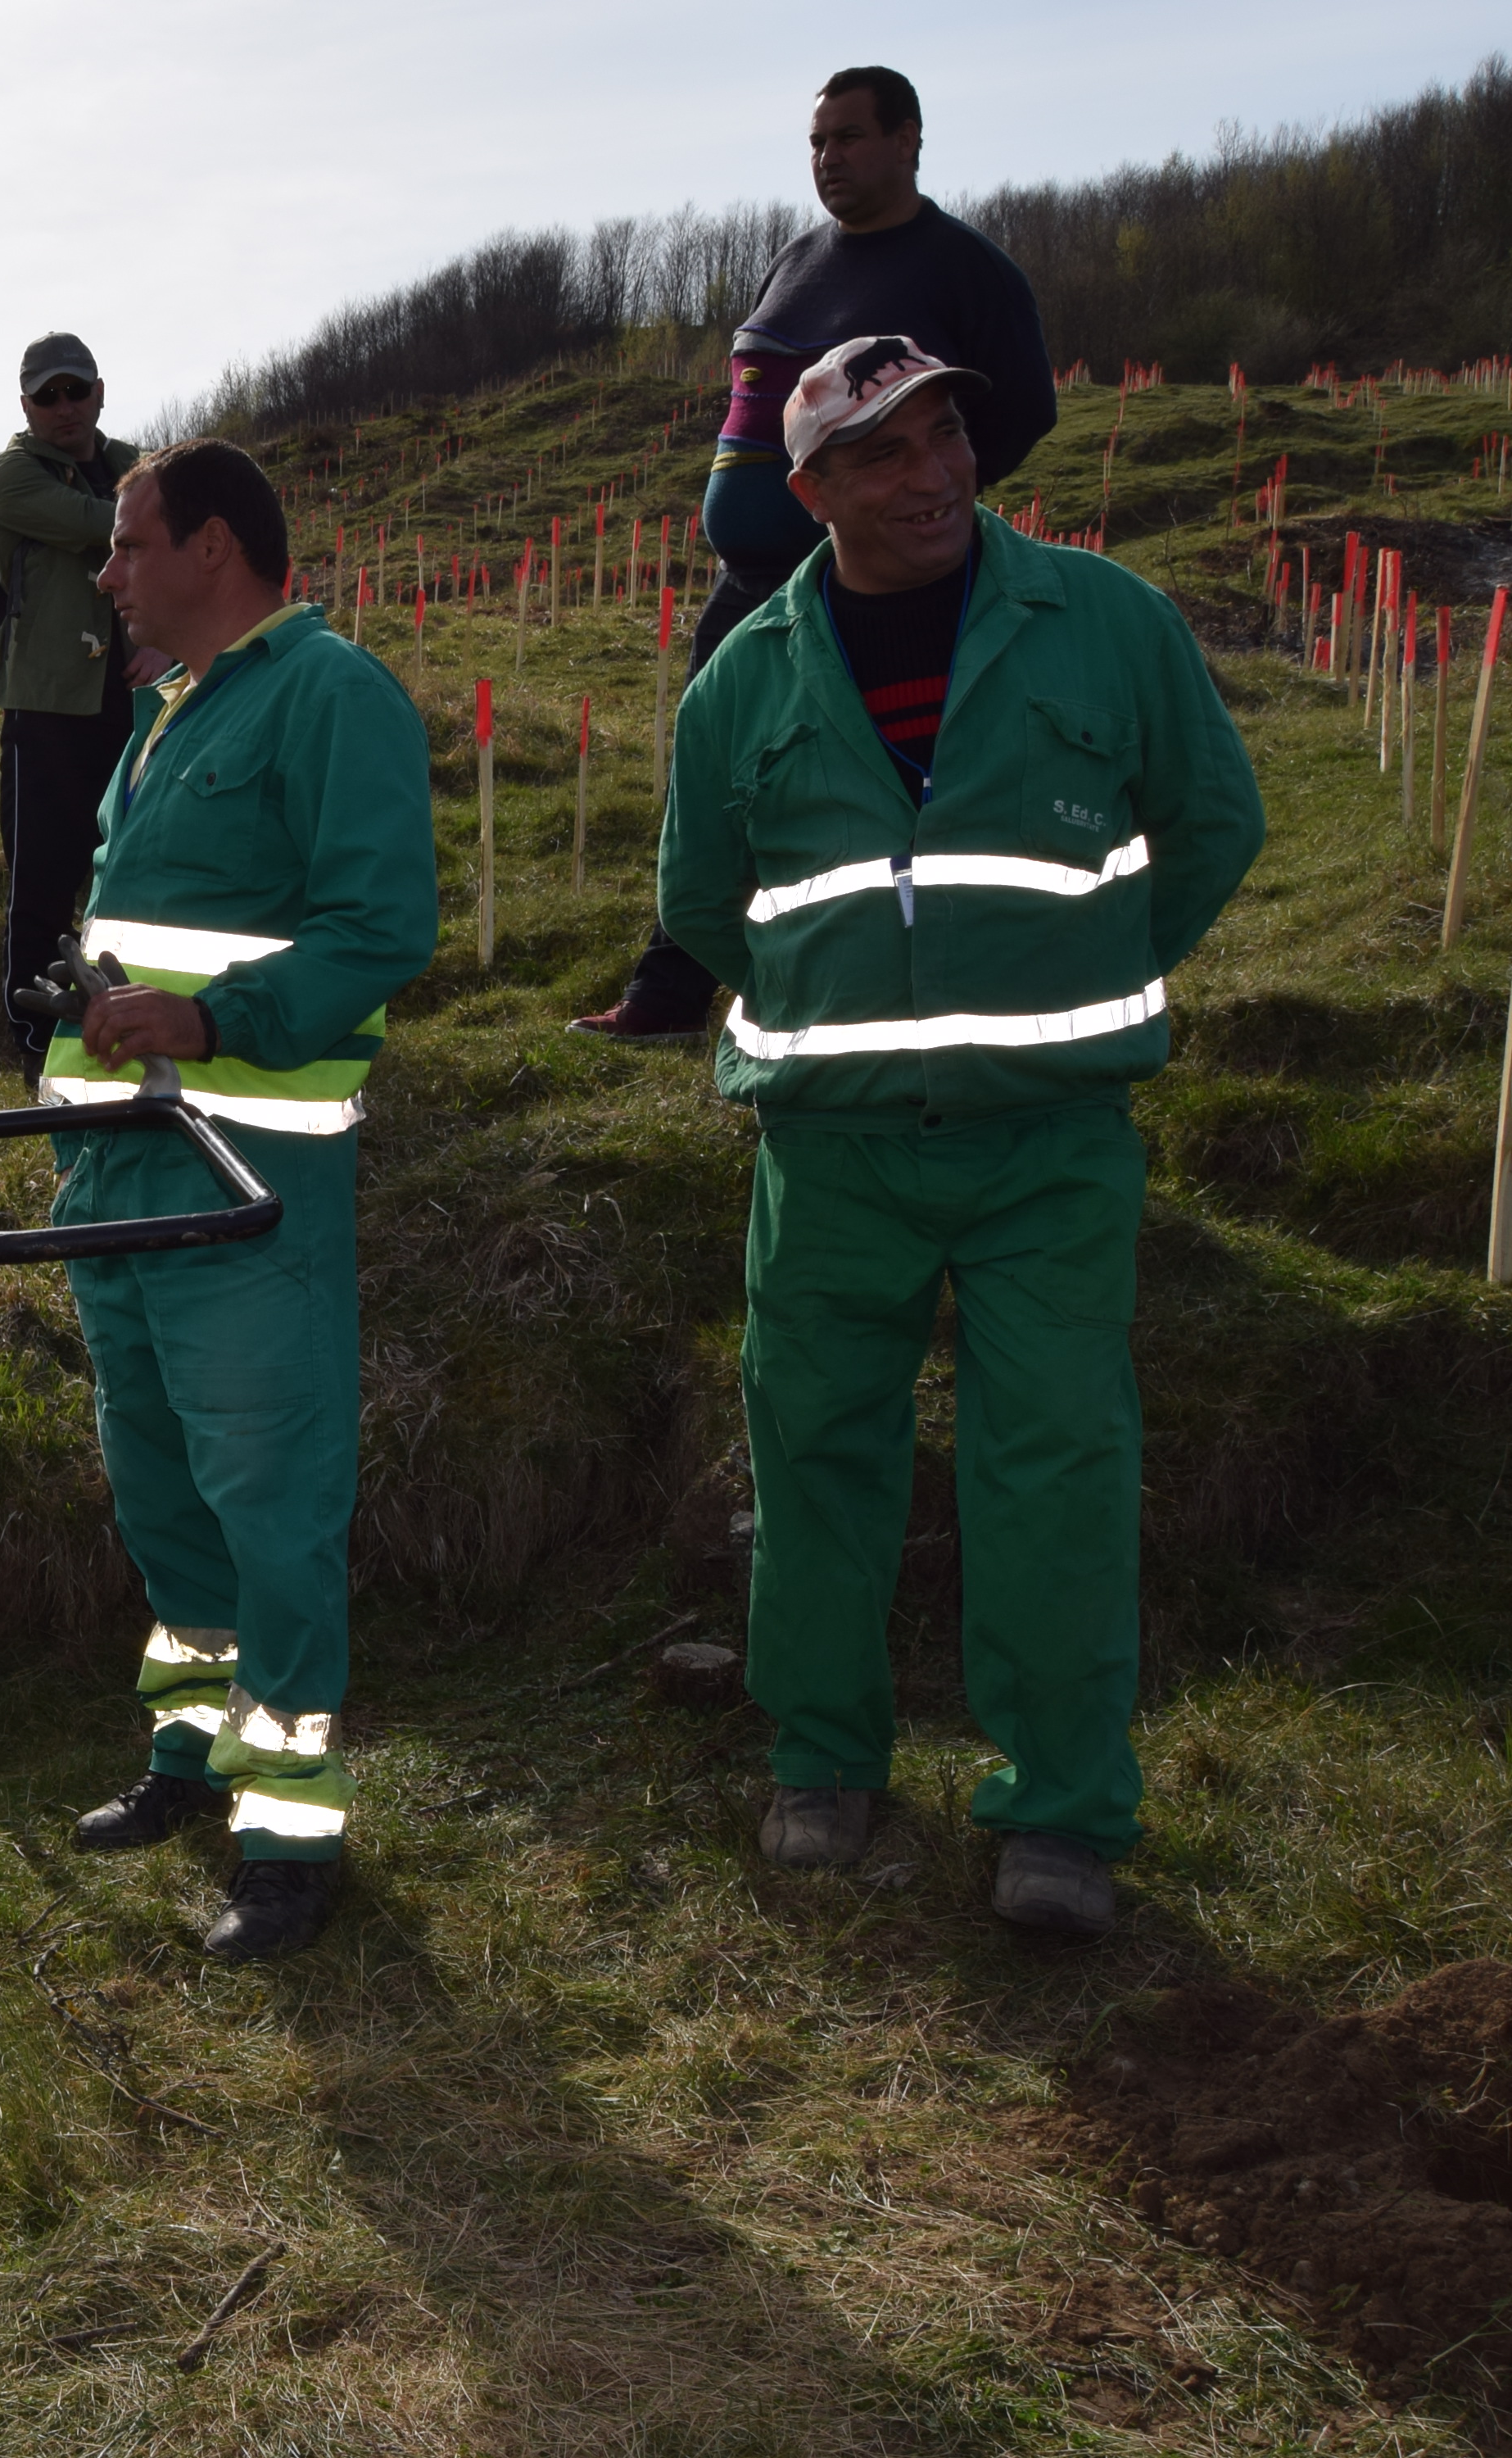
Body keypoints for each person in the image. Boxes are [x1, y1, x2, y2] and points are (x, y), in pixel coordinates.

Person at [657, 338, 1264, 1936]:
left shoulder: (1108, 623)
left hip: (1048, 1146)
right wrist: (840, 1011)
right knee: (813, 1457)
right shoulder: (741, 683)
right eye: (881, 453)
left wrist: (1081, 981)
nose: (930, 475)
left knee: (1055, 1466)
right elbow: (699, 900)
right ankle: (822, 1759)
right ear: (810, 494)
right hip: (831, 1152)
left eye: (943, 436)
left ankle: (1060, 1809)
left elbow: (1212, 824)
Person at [40, 440, 437, 1960]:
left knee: (271, 1505)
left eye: (128, 544)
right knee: (160, 1490)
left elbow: (378, 928)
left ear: (212, 547)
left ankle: (288, 1835)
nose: (108, 574)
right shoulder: (167, 712)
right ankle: (188, 1755)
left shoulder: (332, 696)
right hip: (119, 1177)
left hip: (246, 1186)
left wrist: (211, 1023)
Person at [576, 65, 1058, 1044]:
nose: (827, 157)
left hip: (856, 587)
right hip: (745, 583)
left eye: (847, 136)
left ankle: (865, 988)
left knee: (834, 787)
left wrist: (913, 513)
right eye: (815, 142)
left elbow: (1022, 409)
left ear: (907, 139)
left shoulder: (962, 269)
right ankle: (670, 993)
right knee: (711, 779)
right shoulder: (796, 259)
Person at [0, 334, 155, 1081]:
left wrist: (164, 646)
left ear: (99, 393)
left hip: (136, 700)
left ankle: (134, 1020)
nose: (63, 407)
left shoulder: (136, 467)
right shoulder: (11, 476)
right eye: (47, 396)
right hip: (46, 709)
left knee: (135, 870)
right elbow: (98, 526)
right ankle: (35, 1039)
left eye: (75, 390)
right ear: (25, 406)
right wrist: (152, 517)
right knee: (41, 883)